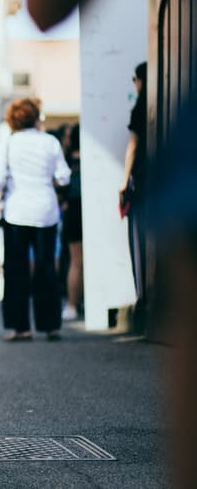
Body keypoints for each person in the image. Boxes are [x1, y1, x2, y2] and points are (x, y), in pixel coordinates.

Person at [0, 98, 71, 341]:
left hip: (17, 211)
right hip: (46, 210)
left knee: (15, 270)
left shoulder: (9, 143)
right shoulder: (50, 142)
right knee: (46, 267)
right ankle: (50, 325)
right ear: (36, 117)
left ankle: (20, 327)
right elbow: (64, 176)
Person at [120, 62, 147, 334]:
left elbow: (133, 146)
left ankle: (145, 300)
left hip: (143, 182)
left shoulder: (141, 107)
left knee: (140, 243)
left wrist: (123, 180)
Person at [61, 124, 82, 320]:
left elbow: (60, 187)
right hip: (92, 210)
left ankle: (72, 305)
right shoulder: (92, 161)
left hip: (72, 212)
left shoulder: (66, 161)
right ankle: (83, 302)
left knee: (75, 261)